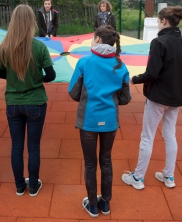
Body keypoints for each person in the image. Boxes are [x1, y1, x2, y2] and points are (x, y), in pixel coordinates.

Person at [121, 6, 182, 190]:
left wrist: (134, 79)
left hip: (158, 97)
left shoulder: (159, 42)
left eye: (157, 21)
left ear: (164, 21)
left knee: (147, 137)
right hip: (176, 98)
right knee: (170, 135)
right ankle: (169, 176)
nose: (157, 24)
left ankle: (138, 178)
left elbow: (152, 73)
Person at [0, 4, 56, 197]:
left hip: (13, 103)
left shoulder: (4, 46)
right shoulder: (39, 46)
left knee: (16, 146)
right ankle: (34, 185)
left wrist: (17, 79)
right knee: (34, 147)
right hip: (36, 102)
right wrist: (37, 79)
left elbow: (0, 73)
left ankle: (19, 185)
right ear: (31, 22)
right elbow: (51, 75)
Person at [69, 25, 131, 218]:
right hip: (110, 121)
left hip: (89, 120)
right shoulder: (121, 65)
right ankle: (105, 203)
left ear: (97, 39)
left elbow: (73, 92)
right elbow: (125, 98)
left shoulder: (84, 63)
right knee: (106, 161)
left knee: (90, 164)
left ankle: (93, 205)